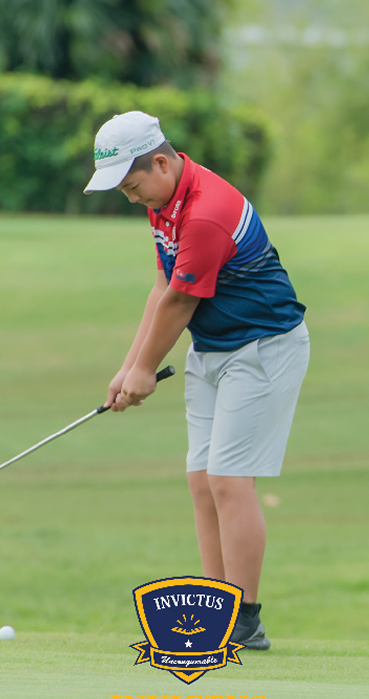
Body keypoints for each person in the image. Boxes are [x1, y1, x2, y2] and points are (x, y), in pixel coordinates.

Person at [84, 110, 309, 651]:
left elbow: (184, 300)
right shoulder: (165, 200)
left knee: (230, 480)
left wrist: (144, 371)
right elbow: (163, 285)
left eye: (132, 185)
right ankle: (216, 607)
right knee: (201, 479)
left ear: (161, 162)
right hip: (214, 349)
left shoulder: (206, 212)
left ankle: (245, 620)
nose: (131, 198)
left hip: (262, 347)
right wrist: (129, 364)